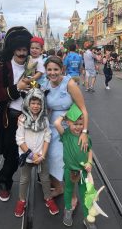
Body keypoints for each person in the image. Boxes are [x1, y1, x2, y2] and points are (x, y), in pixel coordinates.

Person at [0, 26, 32, 202]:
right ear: (13, 49)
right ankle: (4, 182)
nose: (22, 53)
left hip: (30, 118)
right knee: (12, 156)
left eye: (24, 49)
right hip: (10, 118)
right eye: (19, 50)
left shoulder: (34, 66)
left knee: (31, 152)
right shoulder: (3, 68)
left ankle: (44, 179)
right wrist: (17, 88)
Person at [41, 56, 89, 203]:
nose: (52, 73)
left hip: (69, 124)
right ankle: (59, 187)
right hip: (51, 124)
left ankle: (73, 196)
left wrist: (84, 132)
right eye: (49, 69)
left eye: (56, 69)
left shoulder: (70, 84)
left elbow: (83, 109)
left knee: (68, 162)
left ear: (62, 69)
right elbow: (37, 102)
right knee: (50, 159)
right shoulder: (44, 83)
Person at [14, 88, 59, 217]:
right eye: (33, 103)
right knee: (24, 179)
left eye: (39, 103)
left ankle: (48, 198)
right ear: (28, 102)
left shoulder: (44, 120)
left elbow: (47, 137)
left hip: (41, 156)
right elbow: (19, 139)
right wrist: (31, 154)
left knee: (45, 178)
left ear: (42, 105)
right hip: (27, 156)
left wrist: (43, 155)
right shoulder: (22, 119)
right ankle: (22, 200)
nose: (35, 106)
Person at [54, 103, 96, 229]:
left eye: (80, 124)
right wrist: (65, 115)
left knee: (85, 194)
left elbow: (89, 150)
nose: (78, 127)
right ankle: (68, 210)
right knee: (68, 191)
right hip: (69, 170)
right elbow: (57, 123)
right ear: (68, 123)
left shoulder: (85, 136)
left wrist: (89, 162)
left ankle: (87, 217)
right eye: (75, 124)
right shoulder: (66, 135)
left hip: (83, 171)